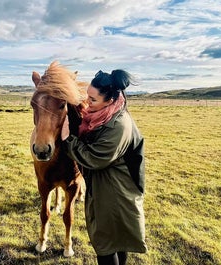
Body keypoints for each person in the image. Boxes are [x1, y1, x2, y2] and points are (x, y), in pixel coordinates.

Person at [61, 69, 147, 265]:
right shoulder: (105, 115)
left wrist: (67, 140)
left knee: (105, 246)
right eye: (87, 96)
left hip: (114, 194)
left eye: (92, 100)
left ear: (109, 100)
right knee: (118, 240)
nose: (87, 103)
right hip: (111, 187)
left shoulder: (118, 126)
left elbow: (94, 157)